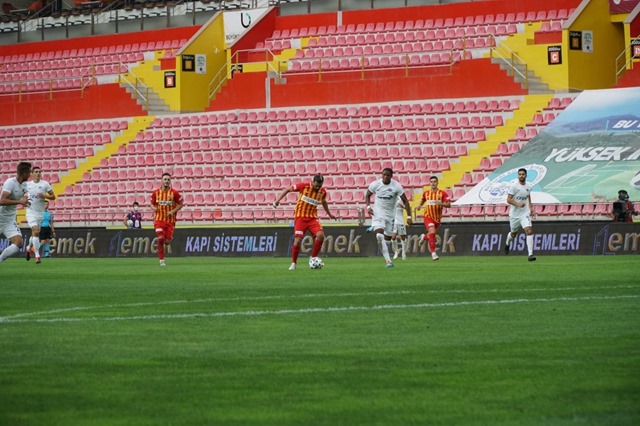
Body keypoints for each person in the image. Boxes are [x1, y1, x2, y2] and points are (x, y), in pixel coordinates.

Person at [273, 174, 337, 270]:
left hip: (312, 218)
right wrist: (277, 201)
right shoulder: (304, 186)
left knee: (320, 235)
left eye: (320, 186)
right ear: (313, 182)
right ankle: (294, 263)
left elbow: (324, 202)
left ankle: (313, 258)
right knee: (298, 240)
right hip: (300, 217)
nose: (318, 187)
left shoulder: (322, 192)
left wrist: (330, 214)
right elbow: (288, 189)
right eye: (317, 185)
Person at [365, 168, 412, 268]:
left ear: (391, 176)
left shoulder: (396, 186)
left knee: (387, 239)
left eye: (387, 175)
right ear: (382, 175)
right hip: (378, 213)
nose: (385, 177)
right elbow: (368, 195)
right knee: (379, 235)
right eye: (384, 175)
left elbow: (405, 201)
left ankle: (374, 228)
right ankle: (388, 261)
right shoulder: (375, 184)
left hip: (390, 215)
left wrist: (409, 216)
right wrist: (368, 207)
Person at [0, 162, 32, 265]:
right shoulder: (10, 183)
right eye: (29, 173)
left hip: (9, 220)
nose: (30, 175)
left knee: (18, 243)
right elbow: (2, 200)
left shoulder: (24, 185)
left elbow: (29, 194)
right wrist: (20, 201)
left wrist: (27, 201)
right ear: (24, 173)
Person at [150, 173, 184, 266]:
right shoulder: (156, 193)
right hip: (159, 220)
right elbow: (151, 204)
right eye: (165, 179)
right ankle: (161, 260)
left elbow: (181, 204)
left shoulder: (174, 193)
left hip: (170, 221)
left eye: (168, 179)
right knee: (160, 238)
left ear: (170, 181)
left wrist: (172, 211)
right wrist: (154, 208)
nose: (166, 181)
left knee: (167, 242)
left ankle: (168, 239)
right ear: (162, 180)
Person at [25, 166, 56, 264]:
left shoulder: (45, 184)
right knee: (35, 231)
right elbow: (21, 195)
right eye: (36, 172)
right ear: (32, 174)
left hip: (40, 213)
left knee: (35, 233)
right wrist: (24, 200)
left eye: (39, 172)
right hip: (30, 212)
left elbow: (53, 196)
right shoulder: (27, 185)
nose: (38, 173)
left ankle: (29, 247)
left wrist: (44, 196)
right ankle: (37, 255)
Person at [504, 168, 536, 261]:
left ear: (526, 175)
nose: (521, 176)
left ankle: (530, 254)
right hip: (514, 215)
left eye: (523, 174)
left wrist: (530, 207)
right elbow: (508, 199)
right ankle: (507, 243)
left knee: (529, 231)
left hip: (524, 213)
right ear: (518, 176)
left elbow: (528, 195)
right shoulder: (514, 186)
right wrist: (518, 204)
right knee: (513, 234)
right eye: (520, 174)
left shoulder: (529, 187)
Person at [416, 175, 451, 261]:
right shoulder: (426, 193)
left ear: (437, 182)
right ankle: (433, 253)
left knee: (432, 234)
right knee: (432, 231)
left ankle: (424, 237)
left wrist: (441, 203)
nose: (433, 183)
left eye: (434, 181)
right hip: (428, 216)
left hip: (437, 218)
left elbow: (449, 205)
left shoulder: (442, 193)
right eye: (431, 182)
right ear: (429, 183)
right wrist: (419, 205)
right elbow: (423, 200)